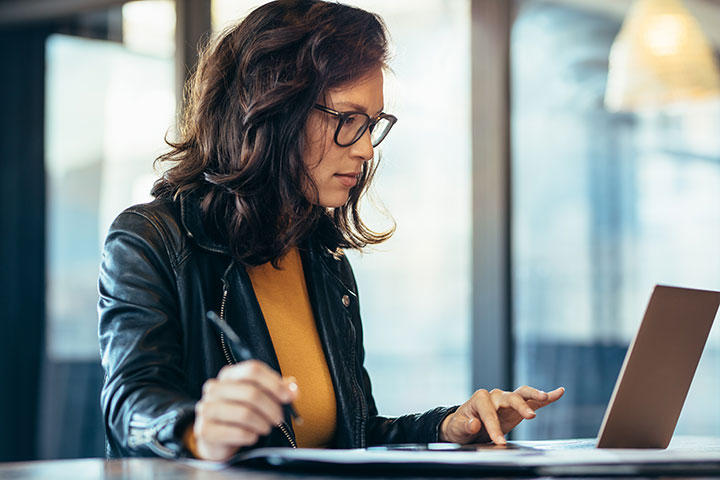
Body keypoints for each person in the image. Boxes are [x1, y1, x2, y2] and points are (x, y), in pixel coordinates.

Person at [98, 0, 563, 462]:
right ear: (273, 109)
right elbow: (129, 406)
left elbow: (351, 437)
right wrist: (198, 431)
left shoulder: (322, 256)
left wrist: (448, 426)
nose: (365, 149)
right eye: (347, 121)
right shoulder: (150, 240)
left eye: (371, 125)